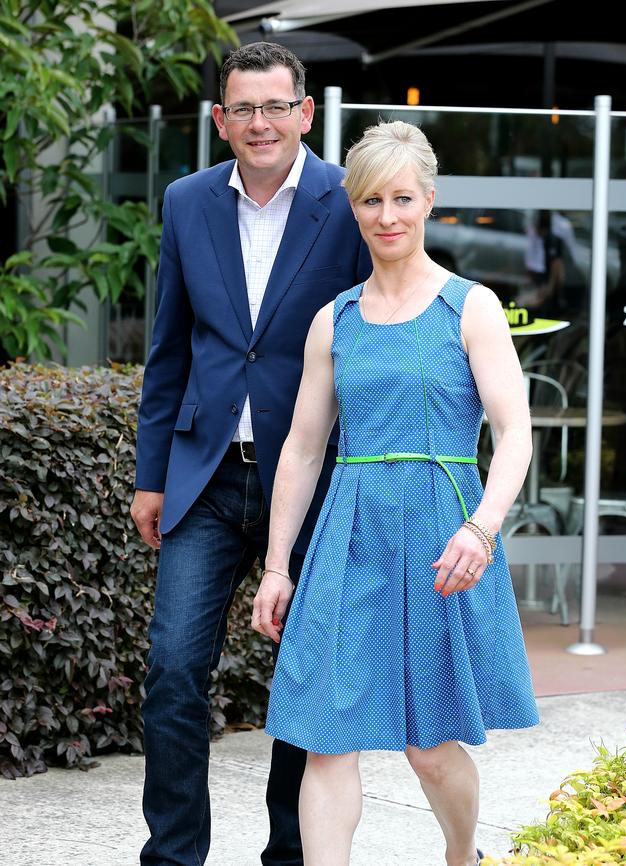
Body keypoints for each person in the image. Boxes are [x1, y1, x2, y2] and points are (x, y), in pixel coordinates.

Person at [252, 120, 540, 866]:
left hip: (446, 532)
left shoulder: (470, 307)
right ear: (354, 206)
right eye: (372, 200)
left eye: (402, 198)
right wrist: (279, 563)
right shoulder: (334, 320)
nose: (387, 216)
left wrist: (482, 529)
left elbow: (514, 434)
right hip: (350, 536)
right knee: (326, 740)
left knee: (430, 749)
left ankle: (461, 854)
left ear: (429, 200)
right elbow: (305, 449)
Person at [130, 42, 370, 866]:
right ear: (219, 119)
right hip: (203, 478)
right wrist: (150, 476)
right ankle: (173, 855)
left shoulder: (349, 201)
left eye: (277, 107)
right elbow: (169, 351)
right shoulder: (187, 200)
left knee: (303, 685)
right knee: (170, 673)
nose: (260, 123)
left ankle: (291, 854)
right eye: (244, 109)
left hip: (312, 482)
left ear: (305, 112)